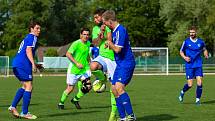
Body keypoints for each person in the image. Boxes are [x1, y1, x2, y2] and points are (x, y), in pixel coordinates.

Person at [102, 10, 136, 121]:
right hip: (120, 64)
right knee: (114, 89)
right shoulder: (114, 31)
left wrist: (109, 43)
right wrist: (108, 41)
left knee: (119, 88)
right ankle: (122, 118)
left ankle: (131, 116)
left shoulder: (120, 30)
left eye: (105, 22)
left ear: (110, 21)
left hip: (126, 63)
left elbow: (117, 49)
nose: (104, 25)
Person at [8, 21, 41, 119]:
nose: (39, 30)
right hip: (23, 64)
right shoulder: (32, 37)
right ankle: (25, 112)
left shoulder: (27, 37)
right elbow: (28, 50)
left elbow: (26, 51)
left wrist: (35, 64)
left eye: (39, 29)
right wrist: (33, 64)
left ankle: (13, 107)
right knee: (29, 86)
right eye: (37, 28)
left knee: (25, 85)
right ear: (31, 29)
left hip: (17, 64)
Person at [90, 8, 118, 121]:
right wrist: (100, 34)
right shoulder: (95, 28)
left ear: (102, 16)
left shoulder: (111, 25)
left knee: (114, 89)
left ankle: (113, 114)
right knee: (93, 66)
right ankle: (102, 79)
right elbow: (95, 43)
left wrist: (106, 32)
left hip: (113, 59)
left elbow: (111, 39)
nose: (95, 19)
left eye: (97, 17)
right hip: (102, 56)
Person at [58, 27, 92, 110]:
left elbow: (87, 54)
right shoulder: (76, 43)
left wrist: (90, 61)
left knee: (88, 86)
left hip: (83, 69)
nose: (86, 36)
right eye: (84, 34)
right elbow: (68, 54)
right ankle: (61, 103)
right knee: (70, 89)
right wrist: (76, 63)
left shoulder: (88, 43)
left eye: (87, 34)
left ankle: (75, 99)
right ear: (80, 35)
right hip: (73, 70)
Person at [178, 26, 208, 105]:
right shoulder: (186, 42)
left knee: (200, 83)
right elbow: (181, 52)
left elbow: (204, 49)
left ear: (196, 33)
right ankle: (182, 92)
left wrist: (206, 54)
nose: (191, 34)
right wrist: (185, 57)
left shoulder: (201, 42)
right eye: (190, 32)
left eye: (193, 32)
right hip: (189, 65)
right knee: (190, 85)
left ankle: (197, 100)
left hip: (198, 64)